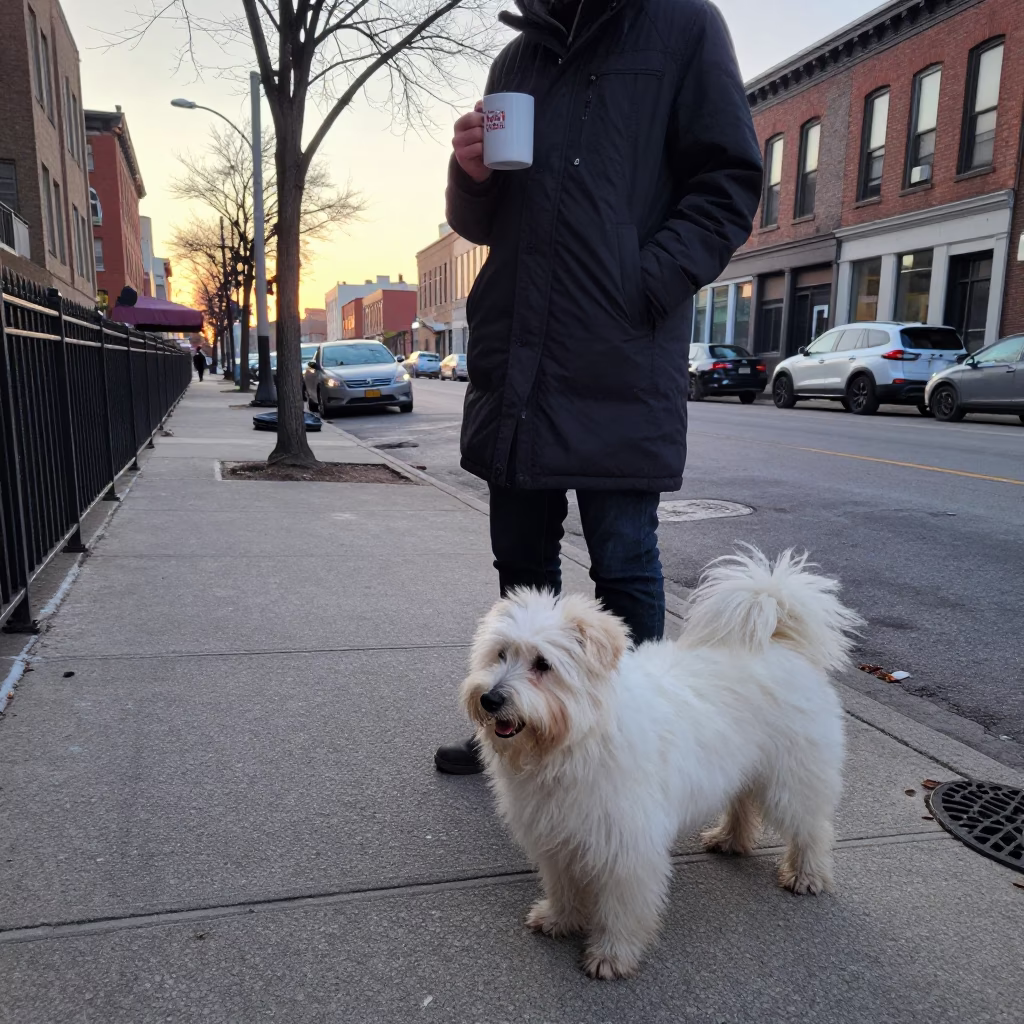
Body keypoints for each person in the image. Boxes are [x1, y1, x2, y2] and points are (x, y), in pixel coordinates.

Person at [434, 0, 763, 774]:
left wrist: (641, 285)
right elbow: (483, 223)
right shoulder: (517, 60)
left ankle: (636, 742)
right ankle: (514, 731)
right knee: (519, 562)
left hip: (618, 350)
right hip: (520, 348)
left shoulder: (682, 25)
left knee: (621, 560)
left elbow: (728, 182)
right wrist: (468, 174)